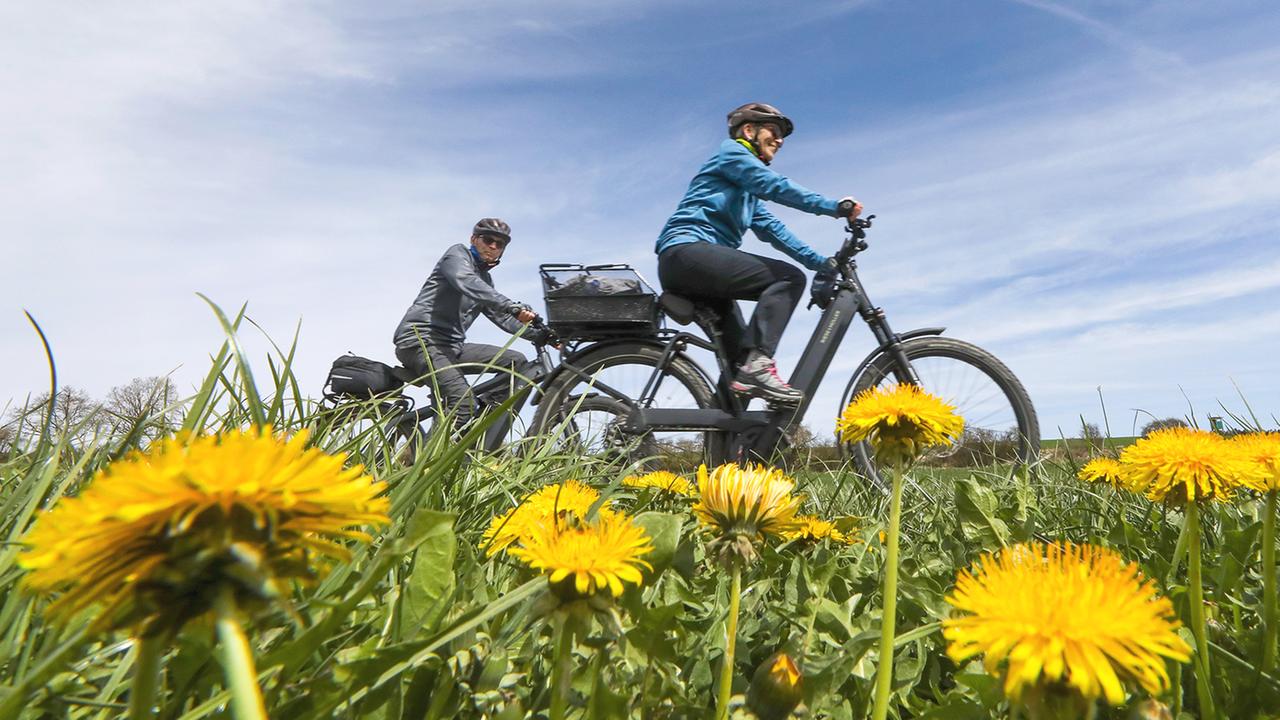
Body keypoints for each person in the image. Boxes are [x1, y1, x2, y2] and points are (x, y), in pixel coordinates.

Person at [655, 102, 862, 404]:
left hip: (697, 266)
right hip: (686, 251)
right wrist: (832, 206)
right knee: (788, 278)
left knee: (740, 368)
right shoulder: (731, 153)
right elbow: (773, 185)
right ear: (749, 130)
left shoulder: (746, 193)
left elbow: (775, 231)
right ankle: (760, 364)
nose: (779, 140)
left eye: (781, 137)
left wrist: (822, 263)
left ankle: (725, 427)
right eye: (773, 132)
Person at [393, 218, 546, 427]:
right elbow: (466, 280)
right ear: (474, 239)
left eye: (499, 244)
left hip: (451, 347)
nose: (493, 246)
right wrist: (512, 306)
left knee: (516, 362)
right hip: (420, 341)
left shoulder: (485, 281)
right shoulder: (457, 255)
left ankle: (481, 417)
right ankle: (446, 437)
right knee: (463, 403)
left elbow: (502, 317)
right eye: (488, 240)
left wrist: (543, 335)